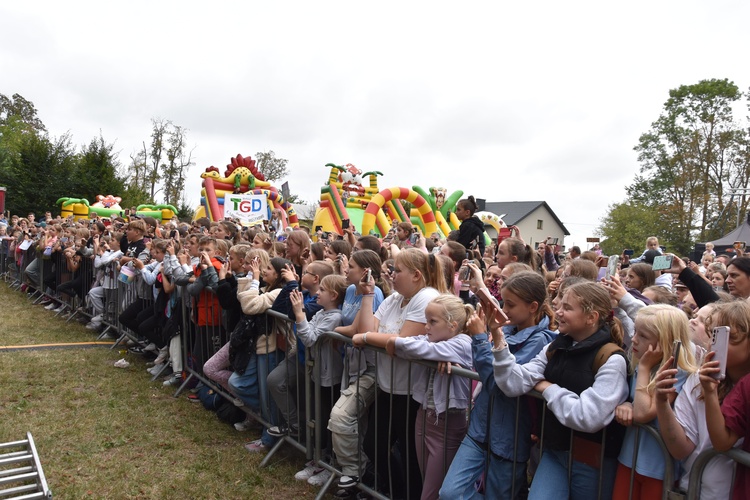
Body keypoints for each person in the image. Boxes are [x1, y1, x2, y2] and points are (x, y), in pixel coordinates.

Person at [493, 281, 629, 499]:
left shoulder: (611, 359)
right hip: (555, 452)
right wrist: (499, 343)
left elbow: (588, 417)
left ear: (591, 317)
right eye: (560, 305)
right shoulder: (555, 348)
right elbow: (513, 383)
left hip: (591, 461)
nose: (558, 312)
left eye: (567, 308)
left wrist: (549, 388)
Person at [441, 271, 557, 499]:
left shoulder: (541, 340)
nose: (505, 308)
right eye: (504, 302)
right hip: (481, 428)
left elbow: (498, 384)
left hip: (509, 438)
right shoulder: (507, 328)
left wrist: (481, 339)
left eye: (511, 304)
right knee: (450, 492)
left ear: (533, 307)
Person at [357, 294, 473, 500]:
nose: (426, 327)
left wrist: (395, 342)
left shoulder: (462, 342)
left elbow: (415, 347)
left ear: (453, 326)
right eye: (426, 320)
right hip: (424, 418)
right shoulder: (434, 342)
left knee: (431, 490)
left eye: (432, 322)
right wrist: (404, 344)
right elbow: (413, 343)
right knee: (424, 476)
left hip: (447, 426)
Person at [353, 248, 447, 499]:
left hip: (411, 393)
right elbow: (367, 329)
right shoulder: (396, 298)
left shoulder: (427, 296)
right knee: (373, 445)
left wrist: (365, 337)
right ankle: (393, 491)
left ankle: (406, 494)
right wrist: (368, 295)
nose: (392, 274)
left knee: (409, 455)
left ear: (416, 275)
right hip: (388, 386)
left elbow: (402, 342)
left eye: (397, 270)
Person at [655, 300, 750, 499]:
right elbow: (681, 449)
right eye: (714, 336)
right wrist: (662, 403)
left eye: (729, 338)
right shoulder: (699, 379)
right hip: (693, 489)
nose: (717, 347)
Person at [612, 305, 696, 500]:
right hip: (628, 458)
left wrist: (644, 368)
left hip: (658, 467)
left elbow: (643, 413)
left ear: (664, 342)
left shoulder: (678, 373)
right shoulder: (637, 360)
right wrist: (627, 404)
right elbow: (634, 403)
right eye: (635, 332)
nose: (634, 339)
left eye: (643, 336)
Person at [284, 275, 348, 487]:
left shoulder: (335, 317)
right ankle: (318, 459)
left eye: (322, 290)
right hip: (317, 372)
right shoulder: (322, 312)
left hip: (330, 377)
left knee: (325, 420)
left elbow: (309, 337)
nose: (317, 293)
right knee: (317, 417)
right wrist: (302, 316)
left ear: (334, 295)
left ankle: (328, 463)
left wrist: (299, 313)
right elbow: (307, 334)